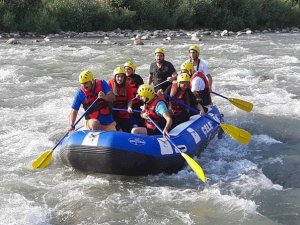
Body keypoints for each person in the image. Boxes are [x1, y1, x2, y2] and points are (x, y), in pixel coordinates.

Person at [108, 66, 134, 133]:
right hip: (112, 109)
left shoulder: (128, 85)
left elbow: (130, 99)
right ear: (115, 77)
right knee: (114, 124)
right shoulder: (110, 83)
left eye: (122, 77)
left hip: (123, 110)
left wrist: (129, 107)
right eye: (118, 77)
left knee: (128, 129)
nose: (120, 79)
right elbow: (106, 97)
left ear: (124, 77)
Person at [124, 61, 145, 127]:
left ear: (133, 70)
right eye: (125, 69)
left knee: (137, 115)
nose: (127, 70)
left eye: (129, 69)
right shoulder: (123, 78)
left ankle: (140, 126)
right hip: (126, 101)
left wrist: (139, 94)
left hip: (136, 101)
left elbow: (142, 89)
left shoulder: (137, 78)